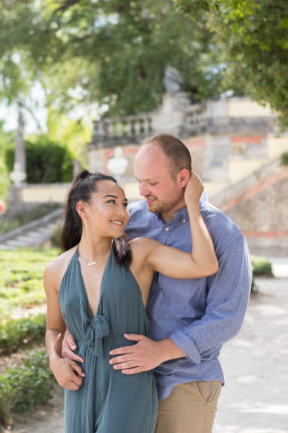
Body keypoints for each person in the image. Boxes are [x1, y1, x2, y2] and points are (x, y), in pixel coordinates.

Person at [63, 134, 252, 433]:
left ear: (183, 178)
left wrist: (161, 350)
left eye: (151, 183)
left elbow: (226, 318)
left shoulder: (224, 235)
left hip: (182, 382)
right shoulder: (128, 220)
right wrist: (71, 331)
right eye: (139, 181)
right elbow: (86, 273)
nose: (142, 191)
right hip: (121, 382)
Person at [44, 169, 219, 433]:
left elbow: (204, 264)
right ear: (83, 209)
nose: (123, 211)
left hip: (128, 382)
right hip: (79, 386)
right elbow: (53, 329)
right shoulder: (56, 270)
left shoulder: (139, 253)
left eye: (124, 203)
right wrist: (55, 360)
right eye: (111, 202)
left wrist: (193, 205)